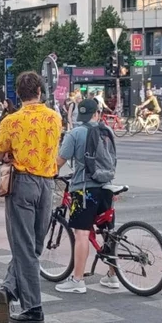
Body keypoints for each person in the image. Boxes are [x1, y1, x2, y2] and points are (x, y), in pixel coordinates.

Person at [0, 72, 62, 323]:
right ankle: (9, 289)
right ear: (40, 92)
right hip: (47, 184)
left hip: (22, 183)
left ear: (18, 95)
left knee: (24, 247)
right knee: (33, 246)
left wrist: (9, 154)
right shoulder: (55, 118)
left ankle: (33, 307)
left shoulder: (12, 121)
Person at [55, 97, 118, 292]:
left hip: (84, 189)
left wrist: (49, 173)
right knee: (107, 231)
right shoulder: (107, 132)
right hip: (107, 187)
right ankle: (112, 276)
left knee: (81, 233)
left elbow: (59, 161)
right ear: (97, 113)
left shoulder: (75, 133)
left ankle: (77, 280)